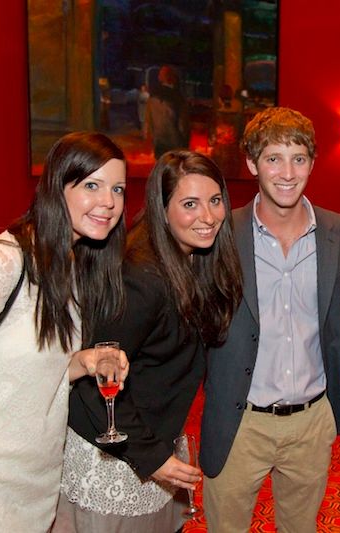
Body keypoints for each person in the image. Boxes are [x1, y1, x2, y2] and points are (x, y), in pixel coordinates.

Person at [0, 131, 129, 532]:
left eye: (117, 189)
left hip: (34, 491)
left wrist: (82, 362)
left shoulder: (69, 267)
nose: (109, 201)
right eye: (92, 186)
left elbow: (29, 373)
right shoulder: (1, 262)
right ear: (57, 187)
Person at [56, 151, 242, 532]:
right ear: (162, 208)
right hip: (115, 458)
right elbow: (96, 381)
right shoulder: (140, 276)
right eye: (190, 204)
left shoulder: (193, 260)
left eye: (215, 200)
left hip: (152, 442)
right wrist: (150, 456)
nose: (208, 217)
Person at [200, 106, 340, 533]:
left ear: (312, 163)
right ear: (252, 164)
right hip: (240, 421)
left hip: (311, 421)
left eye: (298, 158)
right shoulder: (221, 233)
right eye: (273, 158)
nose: (287, 173)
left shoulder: (338, 231)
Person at [145, 65, 190, 159]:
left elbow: (149, 119)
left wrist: (152, 136)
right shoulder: (178, 97)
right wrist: (185, 143)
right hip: (175, 143)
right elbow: (183, 124)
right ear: (173, 77)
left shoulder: (153, 95)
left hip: (159, 142)